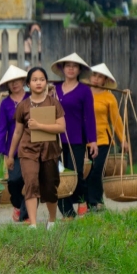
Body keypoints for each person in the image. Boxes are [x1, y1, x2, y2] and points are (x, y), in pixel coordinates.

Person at [7, 67, 67, 229]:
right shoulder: (23, 106)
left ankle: (52, 220)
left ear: (46, 82)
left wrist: (39, 125)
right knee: (31, 183)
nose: (38, 83)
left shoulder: (54, 103)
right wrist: (11, 155)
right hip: (28, 151)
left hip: (49, 151)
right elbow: (17, 132)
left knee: (49, 187)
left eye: (41, 79)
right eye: (34, 80)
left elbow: (61, 127)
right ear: (28, 84)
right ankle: (33, 224)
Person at [50, 53, 98, 218]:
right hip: (56, 139)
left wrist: (92, 141)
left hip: (76, 138)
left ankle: (83, 199)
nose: (71, 68)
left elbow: (89, 117)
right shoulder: (54, 90)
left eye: (74, 66)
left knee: (76, 173)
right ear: (63, 68)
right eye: (67, 65)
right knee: (59, 176)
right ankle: (67, 212)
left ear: (79, 70)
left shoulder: (84, 91)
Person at [85, 63, 126, 211]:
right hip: (85, 140)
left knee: (97, 170)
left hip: (103, 139)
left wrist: (123, 140)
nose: (96, 79)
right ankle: (90, 202)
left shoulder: (109, 97)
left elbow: (116, 120)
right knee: (86, 171)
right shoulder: (84, 93)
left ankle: (95, 201)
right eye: (94, 75)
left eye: (100, 76)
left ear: (105, 80)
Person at [0, 65, 30, 222]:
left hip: (31, 146)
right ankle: (16, 204)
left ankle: (26, 215)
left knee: (30, 180)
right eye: (11, 82)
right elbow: (1, 129)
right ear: (7, 85)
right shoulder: (5, 104)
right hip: (13, 149)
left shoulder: (31, 98)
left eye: (17, 81)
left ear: (23, 81)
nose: (15, 84)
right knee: (14, 180)